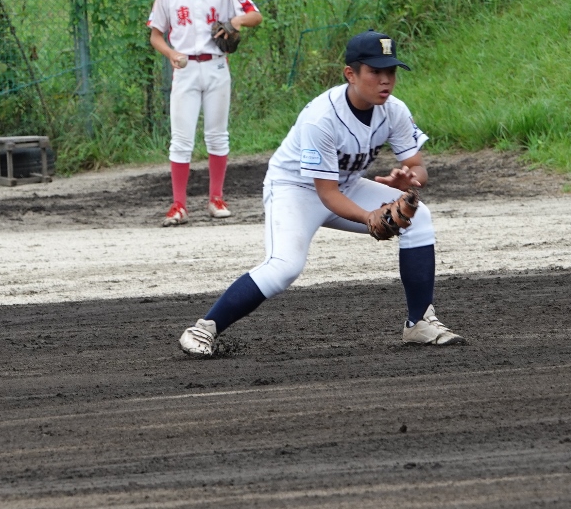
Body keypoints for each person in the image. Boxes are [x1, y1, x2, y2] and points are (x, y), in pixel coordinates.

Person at [177, 30, 465, 357]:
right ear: (350, 74)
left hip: (346, 185)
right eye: (375, 71)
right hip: (294, 190)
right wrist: (369, 216)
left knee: (419, 218)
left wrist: (410, 178)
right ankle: (203, 329)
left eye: (391, 71)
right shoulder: (322, 118)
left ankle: (420, 323)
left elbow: (417, 165)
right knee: (284, 266)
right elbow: (326, 194)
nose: (385, 80)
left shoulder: (394, 110)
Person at [148, 0, 263, 226]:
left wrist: (236, 20)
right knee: (181, 140)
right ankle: (178, 205)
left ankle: (216, 199)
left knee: (217, 135)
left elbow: (255, 15)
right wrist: (170, 53)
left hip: (216, 67)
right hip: (185, 69)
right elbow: (155, 35)